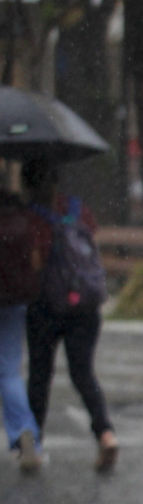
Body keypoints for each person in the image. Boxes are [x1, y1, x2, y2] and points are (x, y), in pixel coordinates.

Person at [22, 157, 116, 471]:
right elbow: (90, 240)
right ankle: (106, 434)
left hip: (46, 307)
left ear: (27, 185)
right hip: (86, 307)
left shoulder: (32, 218)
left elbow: (34, 264)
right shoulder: (77, 209)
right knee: (83, 374)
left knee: (40, 376)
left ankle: (32, 447)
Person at [0, 176, 42, 472]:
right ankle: (24, 433)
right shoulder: (23, 217)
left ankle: (22, 431)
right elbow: (36, 261)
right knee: (9, 370)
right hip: (15, 300)